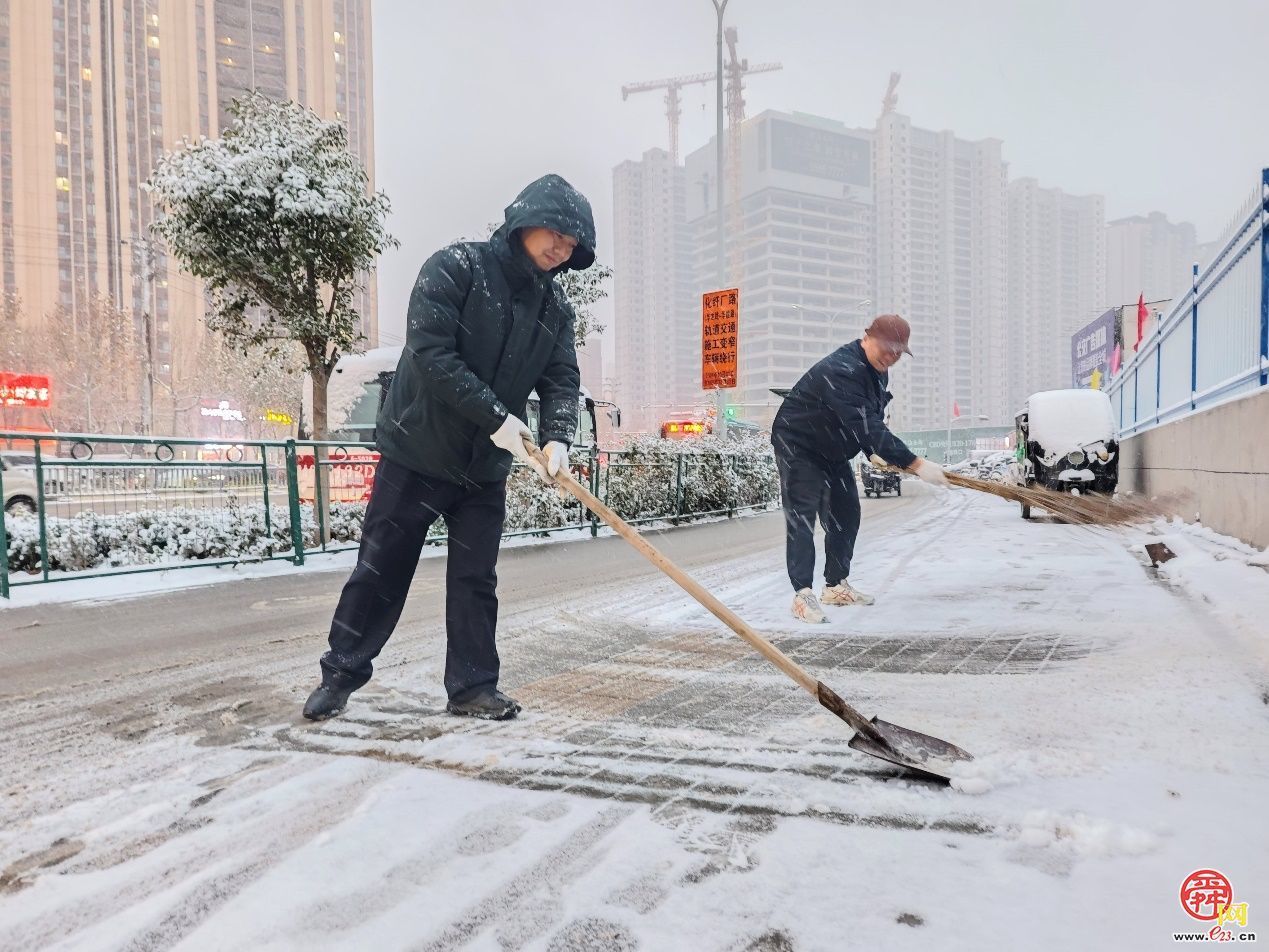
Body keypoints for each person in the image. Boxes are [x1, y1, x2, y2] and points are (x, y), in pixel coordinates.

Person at [302, 174, 596, 721]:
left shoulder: (555, 309)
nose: (562, 248)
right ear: (524, 220)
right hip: (417, 453)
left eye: (572, 244)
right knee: (381, 570)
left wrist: (558, 436)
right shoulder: (456, 268)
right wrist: (498, 419)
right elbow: (432, 353)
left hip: (483, 469)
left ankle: (472, 686)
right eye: (556, 232)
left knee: (474, 580)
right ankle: (340, 674)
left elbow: (562, 378)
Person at [770, 314, 949, 624]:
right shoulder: (843, 370)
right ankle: (802, 594)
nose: (892, 356)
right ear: (868, 338)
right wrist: (916, 464)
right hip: (799, 444)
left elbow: (870, 419)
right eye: (888, 348)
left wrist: (872, 452)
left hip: (833, 448)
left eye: (899, 351)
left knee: (846, 514)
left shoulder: (878, 372)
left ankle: (835, 586)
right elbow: (866, 425)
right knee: (803, 516)